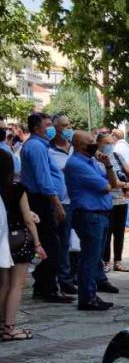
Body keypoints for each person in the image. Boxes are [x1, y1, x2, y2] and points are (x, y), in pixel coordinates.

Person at [64, 130, 119, 310]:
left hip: (100, 214)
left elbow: (113, 183)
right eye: (91, 141)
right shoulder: (76, 164)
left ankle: (91, 294)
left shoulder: (92, 161)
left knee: (95, 258)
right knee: (89, 258)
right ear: (81, 145)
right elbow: (105, 187)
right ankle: (87, 297)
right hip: (89, 215)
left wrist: (108, 165)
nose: (95, 144)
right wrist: (109, 181)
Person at [19, 112, 70, 303]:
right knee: (50, 245)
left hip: (41, 199)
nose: (51, 128)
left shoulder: (40, 145)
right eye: (47, 125)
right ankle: (48, 288)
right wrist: (57, 204)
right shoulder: (36, 147)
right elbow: (43, 179)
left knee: (50, 243)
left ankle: (43, 285)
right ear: (36, 128)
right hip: (40, 200)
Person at [0, 149, 44, 339]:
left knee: (3, 285)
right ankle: (10, 328)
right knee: (16, 285)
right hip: (18, 239)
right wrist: (38, 242)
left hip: (2, 240)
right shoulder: (17, 189)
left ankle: (2, 325)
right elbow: (27, 219)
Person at [48, 114, 77, 296]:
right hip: (60, 202)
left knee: (75, 242)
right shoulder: (48, 149)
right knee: (62, 242)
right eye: (64, 125)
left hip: (77, 200)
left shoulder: (75, 147)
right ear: (56, 128)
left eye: (69, 125)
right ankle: (63, 279)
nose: (68, 128)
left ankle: (72, 275)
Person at [100, 131, 129, 272]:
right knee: (107, 232)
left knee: (119, 232)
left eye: (111, 143)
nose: (110, 146)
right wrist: (126, 185)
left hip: (121, 200)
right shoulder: (97, 159)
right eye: (107, 143)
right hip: (107, 200)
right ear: (99, 143)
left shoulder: (117, 156)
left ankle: (118, 261)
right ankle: (105, 261)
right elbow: (111, 182)